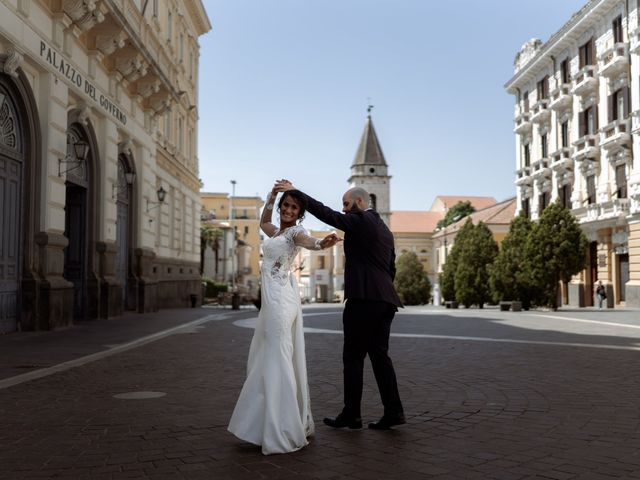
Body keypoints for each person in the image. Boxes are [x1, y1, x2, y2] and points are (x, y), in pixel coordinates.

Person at [278, 180, 405, 431]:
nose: (345, 210)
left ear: (359, 202)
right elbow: (391, 267)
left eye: (347, 204)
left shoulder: (361, 220)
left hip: (364, 300)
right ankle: (394, 411)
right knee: (380, 357)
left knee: (353, 357)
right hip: (386, 300)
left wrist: (296, 193)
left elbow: (327, 213)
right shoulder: (384, 230)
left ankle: (352, 415)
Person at [228, 182, 342, 455]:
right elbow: (264, 219)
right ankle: (265, 422)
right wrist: (272, 195)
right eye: (286, 206)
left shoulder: (295, 233)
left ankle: (283, 426)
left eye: (295, 208)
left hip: (281, 301)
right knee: (270, 355)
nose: (289, 210)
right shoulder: (275, 231)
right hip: (272, 302)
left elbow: (311, 243)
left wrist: (322, 243)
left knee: (278, 356)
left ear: (299, 213)